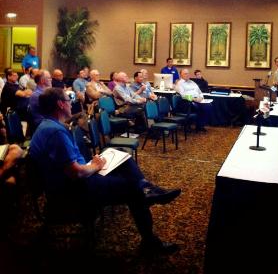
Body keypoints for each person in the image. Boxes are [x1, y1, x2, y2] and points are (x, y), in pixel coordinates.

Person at [29, 87, 181, 254]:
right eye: (68, 100)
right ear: (60, 104)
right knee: (133, 188)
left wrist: (93, 165)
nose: (70, 103)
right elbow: (76, 173)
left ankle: (147, 189)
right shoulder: (55, 131)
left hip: (75, 181)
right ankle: (150, 240)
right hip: (75, 189)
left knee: (124, 158)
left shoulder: (47, 125)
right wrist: (95, 166)